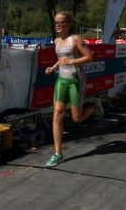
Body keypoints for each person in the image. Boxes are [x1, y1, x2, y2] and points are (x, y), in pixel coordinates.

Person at [43, 11, 103, 167]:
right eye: (56, 22)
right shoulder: (56, 41)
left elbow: (89, 57)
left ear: (69, 24)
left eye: (61, 22)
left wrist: (71, 62)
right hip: (61, 80)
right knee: (57, 114)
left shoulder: (75, 39)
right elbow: (61, 60)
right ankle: (58, 154)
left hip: (76, 80)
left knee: (76, 119)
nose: (57, 25)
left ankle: (94, 106)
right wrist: (52, 68)